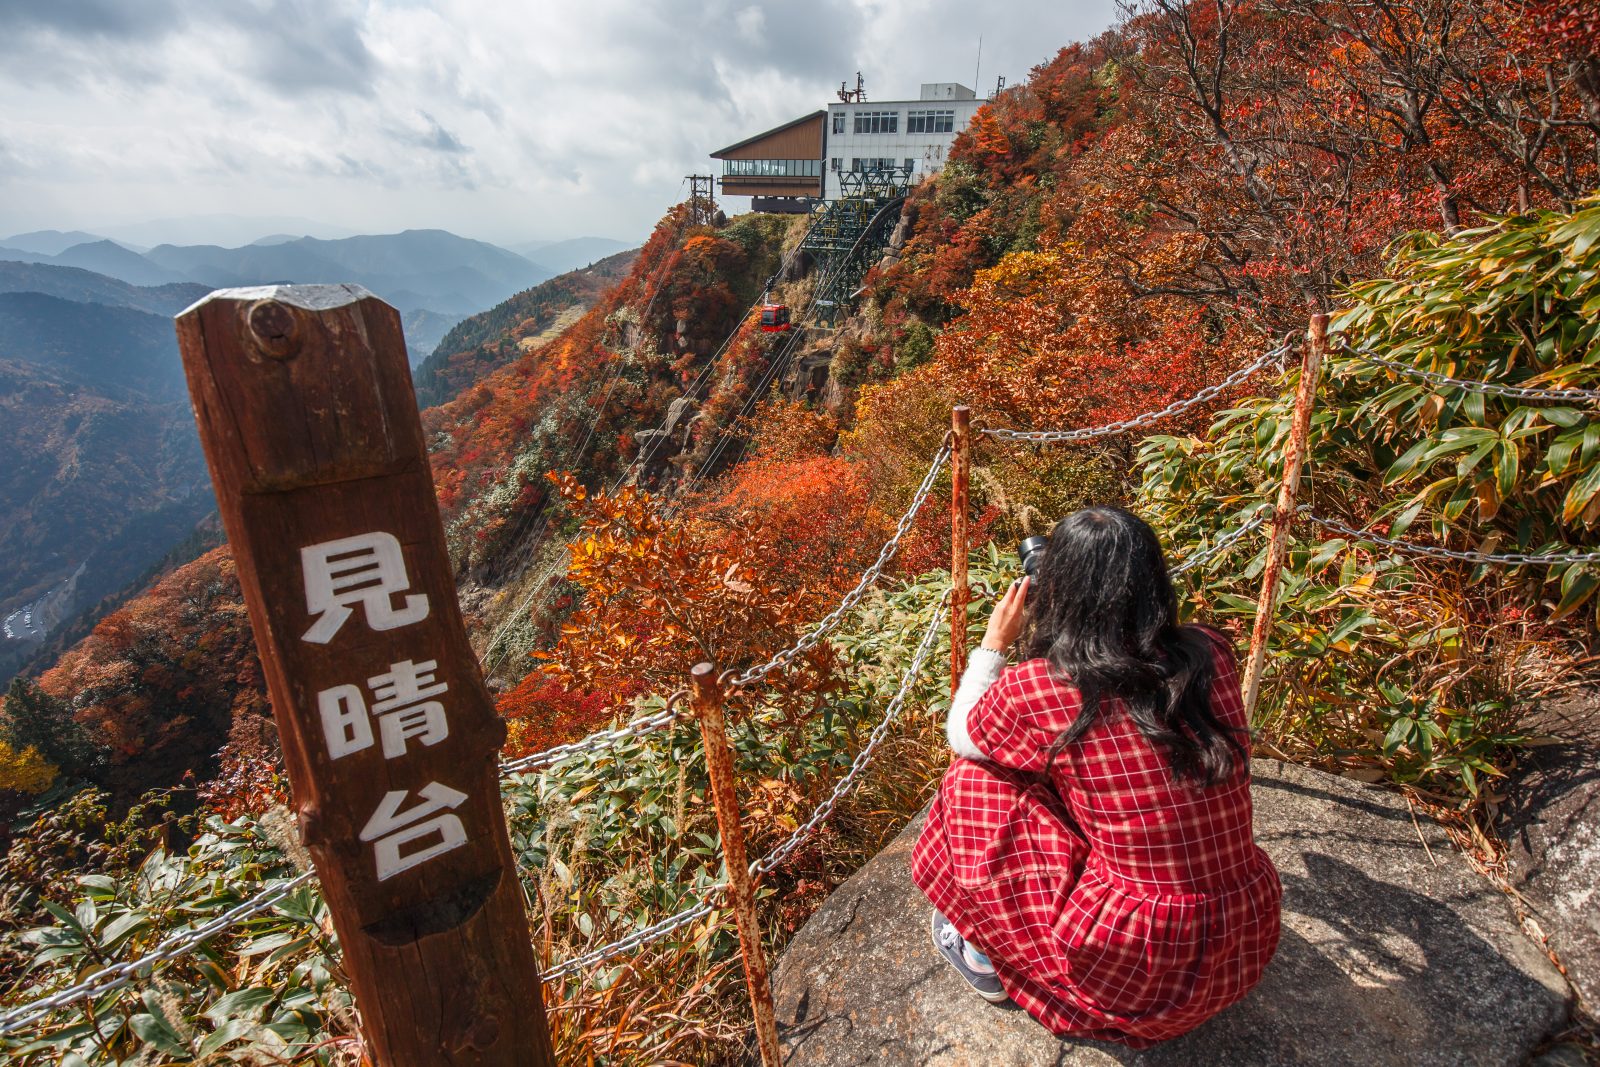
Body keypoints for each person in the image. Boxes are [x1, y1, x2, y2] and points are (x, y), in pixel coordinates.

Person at [911, 506, 1281, 1047]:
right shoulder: (1211, 652)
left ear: (1059, 590)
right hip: (1243, 943)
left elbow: (963, 734)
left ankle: (982, 955)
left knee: (973, 780)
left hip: (1132, 967)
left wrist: (995, 642)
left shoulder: (1045, 688)